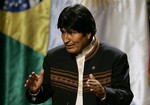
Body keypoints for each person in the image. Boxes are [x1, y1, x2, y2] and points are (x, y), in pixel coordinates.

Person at [24, 4, 133, 105]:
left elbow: (126, 97)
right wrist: (35, 91)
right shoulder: (53, 58)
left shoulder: (115, 58)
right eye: (63, 32)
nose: (65, 39)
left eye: (71, 33)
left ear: (88, 33)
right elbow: (42, 95)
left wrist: (104, 93)